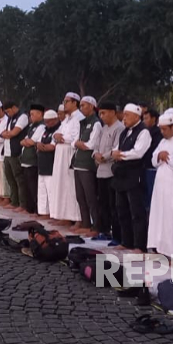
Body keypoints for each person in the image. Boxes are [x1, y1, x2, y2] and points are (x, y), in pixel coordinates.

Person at [147, 113, 173, 257]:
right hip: (161, 185)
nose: (162, 132)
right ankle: (160, 249)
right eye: (161, 129)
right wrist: (159, 156)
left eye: (165, 129)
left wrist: (165, 157)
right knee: (159, 217)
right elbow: (153, 159)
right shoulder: (163, 142)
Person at [111, 104, 152, 252]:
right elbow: (116, 147)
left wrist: (120, 155)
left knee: (137, 212)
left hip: (135, 177)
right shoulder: (125, 132)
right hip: (121, 176)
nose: (124, 118)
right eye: (124, 115)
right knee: (122, 210)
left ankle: (139, 245)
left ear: (136, 116)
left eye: (127, 115)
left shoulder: (143, 132)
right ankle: (126, 241)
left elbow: (138, 152)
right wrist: (115, 153)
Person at [50, 93, 84, 224]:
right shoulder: (66, 119)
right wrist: (57, 136)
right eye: (63, 101)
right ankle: (65, 216)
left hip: (70, 153)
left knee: (71, 187)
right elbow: (56, 133)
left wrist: (62, 138)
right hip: (60, 154)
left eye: (67, 101)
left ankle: (78, 219)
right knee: (61, 186)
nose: (64, 104)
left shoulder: (79, 118)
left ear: (75, 103)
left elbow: (77, 137)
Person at [73, 96, 103, 234]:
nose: (81, 108)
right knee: (80, 196)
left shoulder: (96, 123)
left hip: (87, 164)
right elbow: (75, 141)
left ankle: (96, 226)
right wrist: (79, 143)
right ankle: (85, 223)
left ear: (91, 106)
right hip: (78, 163)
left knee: (91, 197)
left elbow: (92, 144)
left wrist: (80, 144)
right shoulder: (83, 122)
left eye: (84, 105)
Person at [95, 102, 124, 242]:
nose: (102, 116)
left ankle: (116, 235)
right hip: (100, 171)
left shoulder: (119, 128)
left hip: (112, 172)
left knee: (114, 205)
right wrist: (95, 154)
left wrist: (103, 156)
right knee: (102, 203)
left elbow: (116, 149)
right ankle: (104, 231)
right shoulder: (103, 128)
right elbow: (96, 145)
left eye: (104, 113)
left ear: (113, 112)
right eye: (100, 113)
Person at [1, 101, 29, 211]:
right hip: (7, 152)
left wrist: (8, 134)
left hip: (15, 152)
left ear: (14, 108)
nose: (8, 114)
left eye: (8, 111)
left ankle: (23, 204)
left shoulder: (22, 117)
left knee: (19, 178)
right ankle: (14, 201)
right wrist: (7, 134)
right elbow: (4, 133)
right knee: (10, 178)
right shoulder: (10, 118)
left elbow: (14, 133)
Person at [19, 104, 45, 215]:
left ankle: (36, 209)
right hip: (25, 160)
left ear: (40, 114)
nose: (31, 117)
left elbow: (32, 141)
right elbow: (23, 141)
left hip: (33, 161)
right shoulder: (31, 126)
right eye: (30, 114)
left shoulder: (42, 126)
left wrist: (27, 141)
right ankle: (28, 208)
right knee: (27, 186)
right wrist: (27, 141)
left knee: (34, 187)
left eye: (33, 114)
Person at [36, 110, 60, 219]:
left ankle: (53, 214)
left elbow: (53, 146)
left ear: (55, 119)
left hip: (51, 164)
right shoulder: (45, 130)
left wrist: (43, 147)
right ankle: (43, 212)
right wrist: (40, 145)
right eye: (45, 122)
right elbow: (38, 142)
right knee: (42, 190)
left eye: (49, 121)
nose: (47, 124)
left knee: (51, 192)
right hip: (42, 163)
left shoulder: (58, 130)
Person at [142, 109, 163, 209]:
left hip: (152, 168)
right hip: (144, 167)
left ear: (154, 119)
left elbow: (152, 150)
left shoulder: (157, 133)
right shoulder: (144, 132)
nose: (144, 121)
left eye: (146, 118)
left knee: (151, 195)